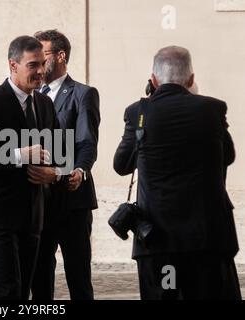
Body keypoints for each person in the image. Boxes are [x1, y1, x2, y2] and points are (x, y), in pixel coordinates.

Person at [113, 46, 241, 300]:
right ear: (191, 79)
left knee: (166, 294)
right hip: (207, 241)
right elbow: (228, 157)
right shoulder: (212, 109)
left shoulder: (138, 112)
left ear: (153, 80)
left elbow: (121, 165)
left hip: (159, 242)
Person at [0, 36, 62, 300]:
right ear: (13, 65)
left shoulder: (44, 104)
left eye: (43, 64)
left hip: (34, 217)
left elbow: (61, 153)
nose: (41, 71)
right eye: (33, 65)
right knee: (8, 292)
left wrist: (54, 173)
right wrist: (19, 154)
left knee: (24, 292)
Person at [31, 30, 100, 300]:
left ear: (60, 56)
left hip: (73, 200)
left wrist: (80, 170)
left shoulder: (83, 94)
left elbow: (87, 141)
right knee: (40, 279)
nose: (38, 61)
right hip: (40, 200)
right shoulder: (31, 97)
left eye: (43, 55)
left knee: (78, 277)